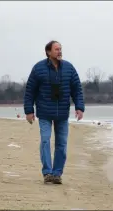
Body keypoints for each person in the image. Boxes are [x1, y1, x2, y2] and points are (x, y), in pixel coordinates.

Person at [23, 40, 85, 184]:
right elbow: (30, 91)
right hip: (44, 112)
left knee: (61, 144)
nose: (59, 51)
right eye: (56, 49)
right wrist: (29, 111)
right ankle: (47, 173)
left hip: (62, 113)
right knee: (45, 141)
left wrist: (79, 107)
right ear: (48, 52)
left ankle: (57, 174)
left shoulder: (69, 68)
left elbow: (77, 89)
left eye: (60, 49)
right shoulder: (38, 68)